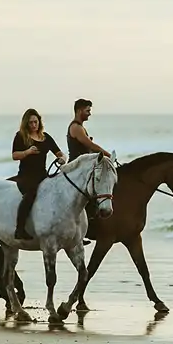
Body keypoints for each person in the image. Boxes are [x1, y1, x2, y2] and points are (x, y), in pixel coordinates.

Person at [11, 108, 66, 241]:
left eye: (36, 122)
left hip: (42, 175)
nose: (34, 125)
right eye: (30, 123)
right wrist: (27, 152)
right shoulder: (20, 136)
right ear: (26, 124)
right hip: (26, 176)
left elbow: (60, 153)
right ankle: (20, 229)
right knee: (31, 195)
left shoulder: (45, 137)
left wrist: (63, 158)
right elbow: (14, 155)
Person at [67, 99, 111, 244]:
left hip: (83, 168)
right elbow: (89, 145)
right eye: (87, 110)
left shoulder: (81, 128)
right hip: (77, 169)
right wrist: (107, 154)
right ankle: (82, 229)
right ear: (79, 110)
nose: (89, 114)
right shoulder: (76, 127)